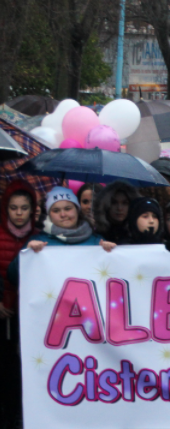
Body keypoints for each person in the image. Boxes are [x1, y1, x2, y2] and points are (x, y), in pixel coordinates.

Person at [0, 181, 37, 429]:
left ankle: (19, 414)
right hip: (3, 308)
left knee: (24, 366)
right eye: (14, 208)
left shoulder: (40, 237)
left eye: (24, 207)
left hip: (28, 311)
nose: (19, 213)